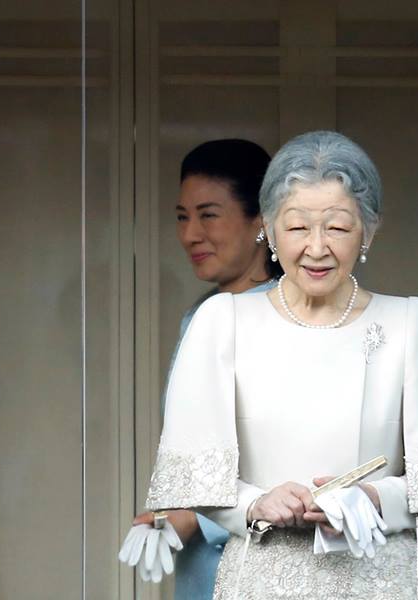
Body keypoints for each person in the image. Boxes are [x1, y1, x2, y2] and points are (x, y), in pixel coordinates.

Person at [144, 130, 418, 599]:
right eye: (298, 228)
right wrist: (255, 502)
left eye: (337, 228)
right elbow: (190, 475)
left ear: (369, 229)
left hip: (380, 581)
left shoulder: (413, 323)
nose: (317, 248)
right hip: (261, 579)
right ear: (268, 228)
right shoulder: (221, 322)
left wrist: (372, 498)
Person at [133, 139, 279, 598]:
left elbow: (294, 456)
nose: (190, 234)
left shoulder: (284, 318)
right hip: (200, 570)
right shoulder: (201, 315)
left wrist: (196, 519)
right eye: (182, 217)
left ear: (260, 220)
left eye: (208, 215)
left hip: (264, 561)